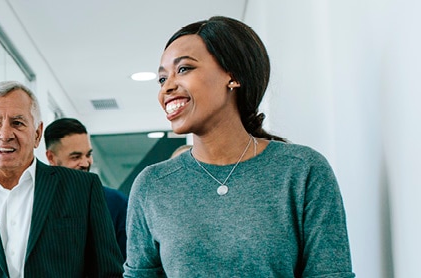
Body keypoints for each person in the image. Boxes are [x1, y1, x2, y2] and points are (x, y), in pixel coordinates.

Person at [124, 16, 354, 277]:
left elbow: (330, 273)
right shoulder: (152, 185)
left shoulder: (302, 170)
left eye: (184, 69)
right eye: (162, 79)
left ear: (232, 76)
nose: (168, 87)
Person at [0, 81, 123, 278]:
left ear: (37, 134)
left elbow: (107, 272)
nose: (4, 134)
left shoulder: (82, 189)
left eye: (17, 123)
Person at [43, 118, 129, 260]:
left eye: (88, 155)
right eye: (75, 157)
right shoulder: (37, 204)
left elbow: (130, 264)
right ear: (51, 157)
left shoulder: (116, 203)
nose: (85, 163)